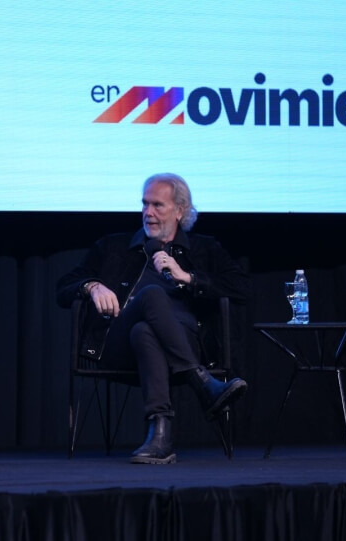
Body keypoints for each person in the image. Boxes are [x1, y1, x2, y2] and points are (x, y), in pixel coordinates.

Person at [56, 173, 250, 464]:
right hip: (119, 345)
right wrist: (92, 286)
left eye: (158, 205)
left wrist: (189, 277)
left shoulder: (205, 249)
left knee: (145, 333)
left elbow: (243, 289)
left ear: (180, 210)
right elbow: (63, 287)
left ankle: (160, 437)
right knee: (151, 296)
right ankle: (204, 384)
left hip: (184, 341)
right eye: (145, 204)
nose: (148, 213)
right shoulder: (113, 246)